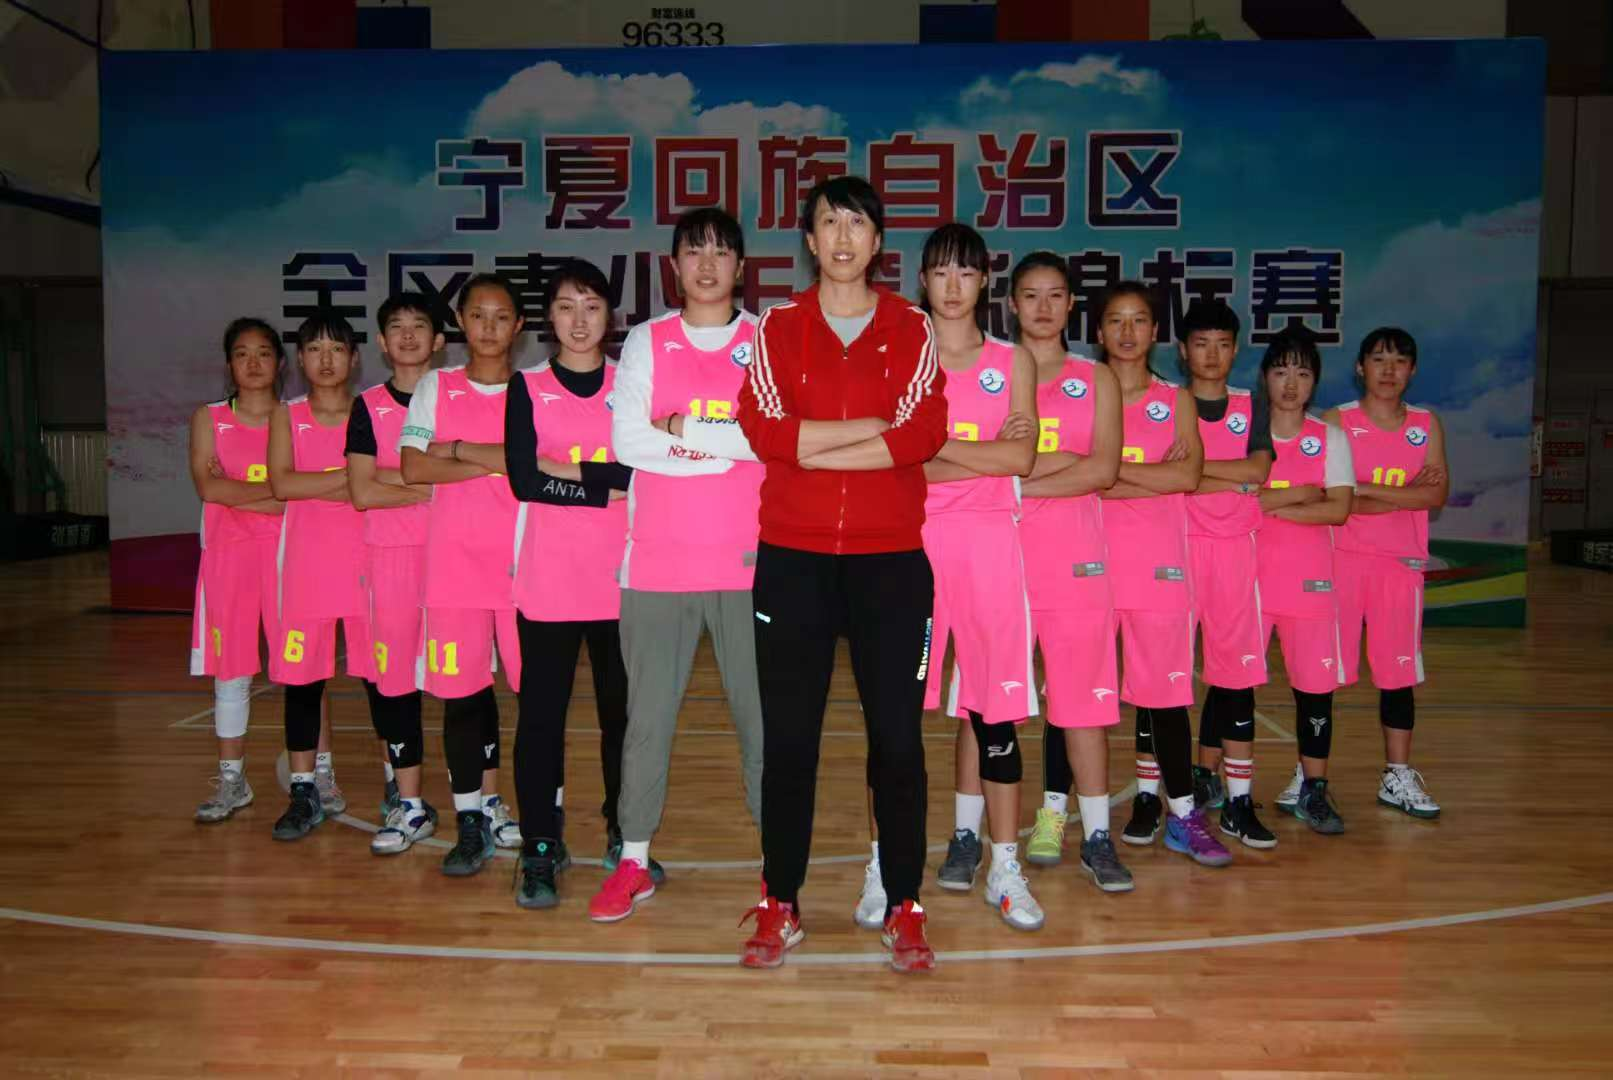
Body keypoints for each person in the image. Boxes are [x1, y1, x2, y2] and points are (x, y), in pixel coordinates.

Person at [737, 175, 947, 973]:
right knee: (789, 739)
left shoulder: (911, 327)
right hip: (792, 561)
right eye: (828, 223)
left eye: (856, 224)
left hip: (890, 564)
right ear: (810, 239)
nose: (842, 238)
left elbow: (921, 432)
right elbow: (762, 429)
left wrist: (814, 443)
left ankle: (904, 904)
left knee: (897, 741)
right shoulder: (778, 326)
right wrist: (868, 431)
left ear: (877, 240)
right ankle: (780, 901)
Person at [588, 207, 762, 923]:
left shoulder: (765, 339)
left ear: (740, 266)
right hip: (657, 567)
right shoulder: (646, 341)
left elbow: (770, 438)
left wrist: (683, 431)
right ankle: (632, 860)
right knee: (646, 722)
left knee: (762, 725)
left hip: (752, 565)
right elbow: (628, 442)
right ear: (674, 265)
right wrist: (720, 448)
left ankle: (776, 872)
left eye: (721, 252)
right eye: (694, 252)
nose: (707, 265)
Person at [912, 224, 1043, 931]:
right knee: (898, 713)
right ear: (923, 282)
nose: (953, 285)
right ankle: (889, 866)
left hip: (992, 546)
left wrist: (940, 448)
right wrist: (981, 449)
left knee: (995, 711)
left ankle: (1005, 864)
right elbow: (897, 460)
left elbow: (1020, 459)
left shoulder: (1012, 360)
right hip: (913, 545)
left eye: (966, 272)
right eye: (941, 272)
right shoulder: (902, 357)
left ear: (984, 281)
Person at [504, 260, 634, 909]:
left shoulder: (631, 383)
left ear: (609, 315)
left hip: (622, 580)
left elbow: (640, 474)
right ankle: (539, 844)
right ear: (547, 318)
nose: (578, 320)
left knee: (623, 718)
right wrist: (601, 484)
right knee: (541, 720)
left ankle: (624, 834)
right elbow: (524, 480)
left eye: (591, 306)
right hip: (549, 581)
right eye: (564, 307)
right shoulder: (526, 387)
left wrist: (567, 469)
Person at [1095, 283, 1232, 867]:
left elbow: (1186, 477)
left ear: (1155, 333)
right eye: (1116, 320)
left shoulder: (1175, 401)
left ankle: (1183, 815)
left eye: (1139, 321)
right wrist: (1147, 472)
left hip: (1159, 570)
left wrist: (1106, 470)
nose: (1127, 332)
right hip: (1088, 568)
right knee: (1077, 701)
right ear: (1099, 331)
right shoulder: (1080, 394)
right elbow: (1067, 476)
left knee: (1168, 699)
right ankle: (1064, 817)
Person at [1009, 253, 1130, 892]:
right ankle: (990, 837)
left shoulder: (1096, 378)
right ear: (1012, 304)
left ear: (1071, 304)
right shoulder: (993, 372)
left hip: (1076, 567)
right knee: (992, 710)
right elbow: (984, 459)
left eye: (1055, 295)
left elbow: (1102, 469)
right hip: (1002, 562)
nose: (1043, 307)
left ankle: (1099, 837)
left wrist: (1020, 476)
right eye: (1030, 295)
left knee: (1083, 707)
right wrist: (1059, 462)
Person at [399, 274, 526, 875]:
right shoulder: (436, 386)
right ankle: (470, 818)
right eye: (478, 315)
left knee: (536, 702)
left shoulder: (534, 389)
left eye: (501, 317)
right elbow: (411, 467)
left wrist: (455, 449)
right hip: (454, 571)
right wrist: (498, 461)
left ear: (519, 326)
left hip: (527, 569)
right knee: (462, 700)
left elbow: (535, 467)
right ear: (460, 321)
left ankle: (535, 818)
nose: (489, 328)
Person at [1319, 328, 1447, 820]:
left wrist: (1367, 491)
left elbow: (1435, 495)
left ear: (1412, 370)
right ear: (1360, 367)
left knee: (1397, 676)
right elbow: (1336, 496)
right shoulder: (1338, 421)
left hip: (1400, 565)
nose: (1389, 370)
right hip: (1342, 560)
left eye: (1399, 361)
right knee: (1322, 673)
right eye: (1378, 359)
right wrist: (1404, 492)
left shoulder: (1426, 425)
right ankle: (1311, 776)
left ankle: (1397, 775)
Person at [265, 311, 371, 840]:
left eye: (336, 348)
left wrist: (321, 481)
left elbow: (381, 480)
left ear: (354, 358)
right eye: (314, 349)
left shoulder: (371, 412)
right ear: (300, 359)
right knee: (303, 683)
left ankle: (399, 787)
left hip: (368, 566)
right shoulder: (286, 416)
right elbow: (282, 485)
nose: (325, 359)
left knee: (383, 682)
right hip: (306, 569)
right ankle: (305, 789)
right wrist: (350, 478)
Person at [1178, 299, 1277, 849]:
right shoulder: (1168, 404)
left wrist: (1192, 471)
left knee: (1237, 679)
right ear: (1183, 350)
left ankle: (1239, 802)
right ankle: (1159, 798)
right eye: (1201, 343)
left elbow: (1258, 471)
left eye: (1222, 343)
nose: (1212, 354)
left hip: (1236, 553)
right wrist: (1227, 477)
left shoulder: (1251, 405)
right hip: (1174, 550)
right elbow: (1163, 475)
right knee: (1164, 679)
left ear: (1236, 350)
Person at [346, 293, 443, 854]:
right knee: (396, 682)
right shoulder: (368, 407)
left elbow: (478, 471)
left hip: (455, 554)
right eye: (396, 328)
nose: (408, 335)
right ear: (382, 343)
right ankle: (408, 802)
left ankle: (481, 802)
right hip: (391, 559)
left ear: (438, 340)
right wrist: (430, 483)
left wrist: (392, 476)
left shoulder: (456, 397)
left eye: (419, 326)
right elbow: (361, 490)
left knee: (466, 683)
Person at [1254, 329, 1354, 834]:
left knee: (1315, 692)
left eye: (1303, 372)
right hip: (1248, 583)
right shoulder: (1246, 433)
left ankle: (1314, 789)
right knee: (1231, 688)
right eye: (1281, 371)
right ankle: (1212, 781)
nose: (1291, 384)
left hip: (1310, 585)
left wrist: (1270, 504)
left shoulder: (1329, 438)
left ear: (1315, 381)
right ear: (1265, 377)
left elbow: (1338, 509)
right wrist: (1300, 493)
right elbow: (1235, 503)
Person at [189, 318, 285, 822]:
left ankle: (319, 774)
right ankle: (232, 780)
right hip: (229, 557)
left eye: (263, 352)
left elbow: (302, 498)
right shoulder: (209, 418)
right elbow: (209, 488)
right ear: (229, 364)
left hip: (291, 557)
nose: (253, 363)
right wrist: (277, 493)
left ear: (280, 363)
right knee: (231, 671)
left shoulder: (296, 418)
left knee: (304, 669)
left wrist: (236, 491)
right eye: (242, 353)